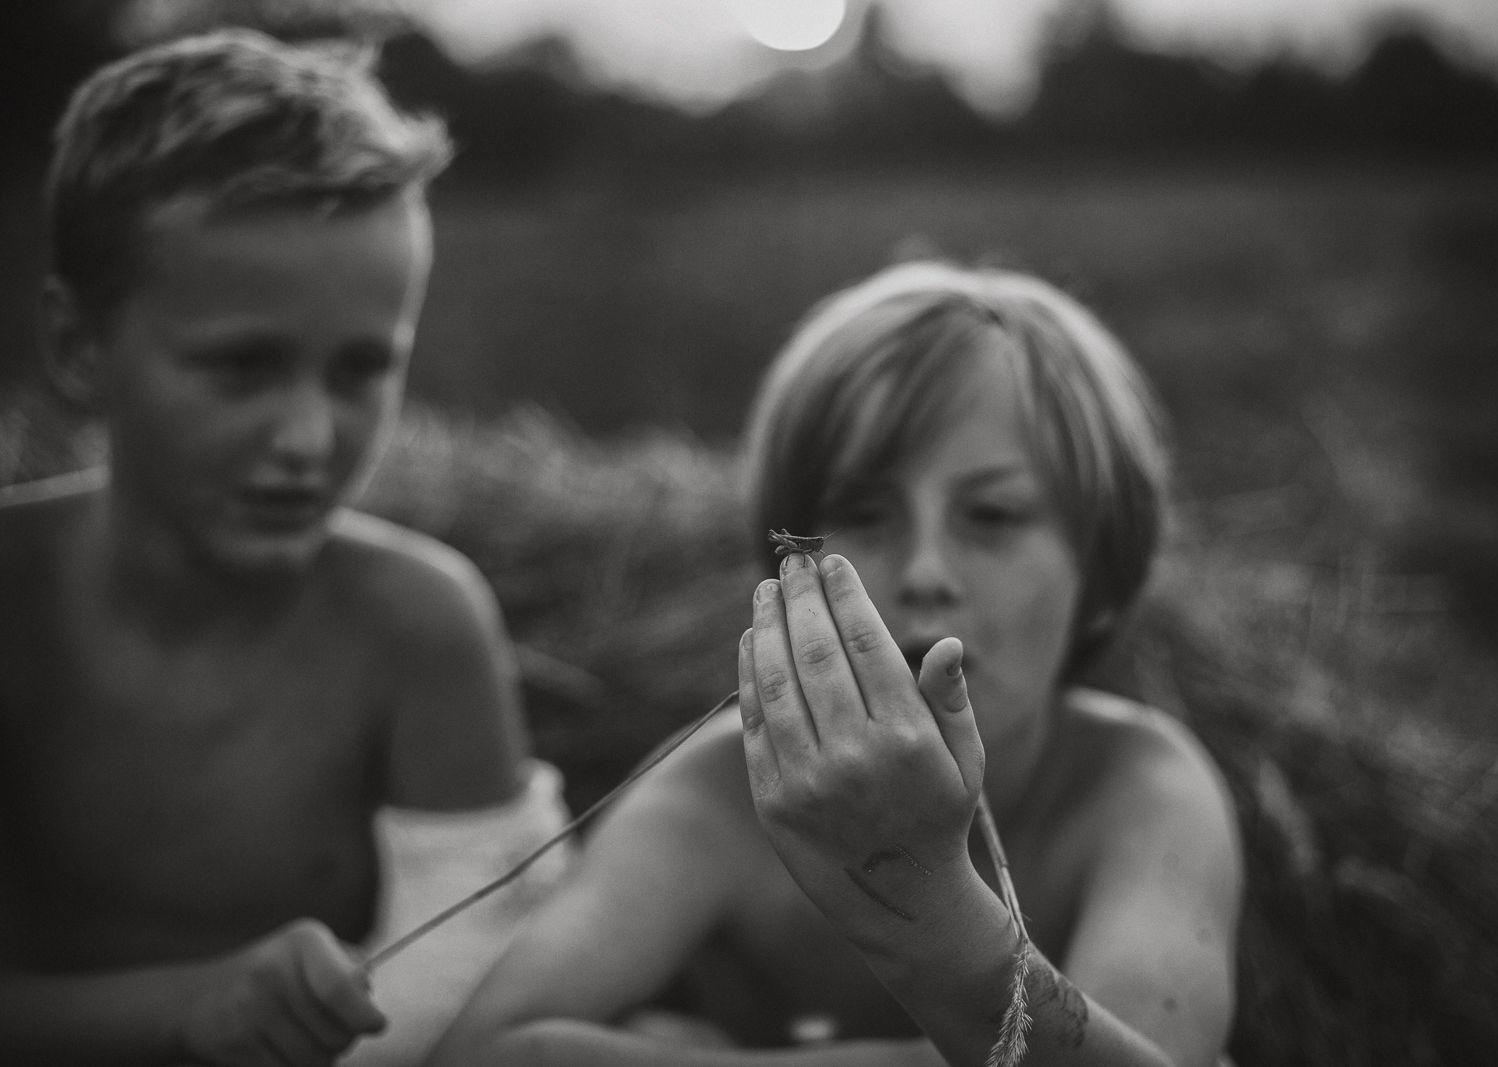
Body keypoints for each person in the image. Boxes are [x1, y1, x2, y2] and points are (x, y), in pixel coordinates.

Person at [428, 261, 1244, 1067]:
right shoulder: (717, 793)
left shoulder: (1139, 788)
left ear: (1100, 577)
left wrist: (920, 896)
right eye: (863, 513)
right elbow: (485, 1051)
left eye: (992, 515)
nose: (926, 569)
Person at [0, 30, 569, 1066]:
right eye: (241, 366)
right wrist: (186, 1008)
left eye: (361, 370)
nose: (308, 439)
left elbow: (483, 975)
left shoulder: (421, 625)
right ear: (79, 347)